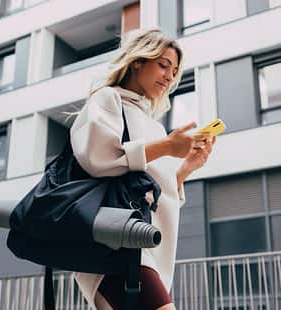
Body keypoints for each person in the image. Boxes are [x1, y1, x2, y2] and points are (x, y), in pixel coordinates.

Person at [70, 28, 216, 310]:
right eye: (163, 65)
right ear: (138, 60)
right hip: (114, 244)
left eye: (174, 71)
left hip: (140, 245)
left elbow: (152, 192)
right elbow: (98, 158)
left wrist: (185, 168)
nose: (169, 76)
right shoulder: (107, 99)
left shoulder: (154, 124)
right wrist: (167, 148)